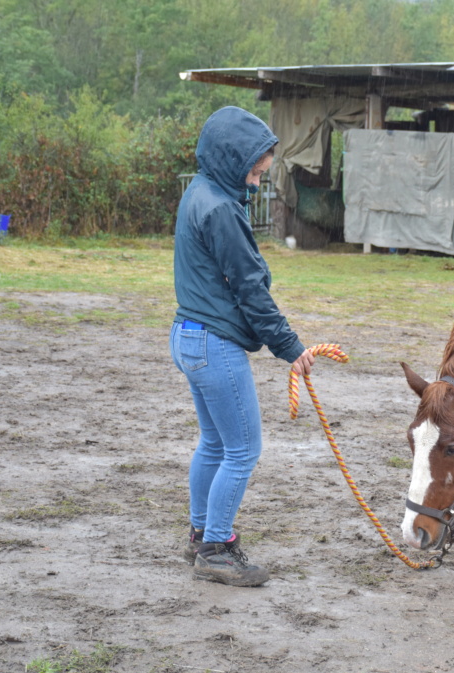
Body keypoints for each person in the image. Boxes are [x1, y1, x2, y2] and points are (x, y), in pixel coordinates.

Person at [170, 106, 316, 586]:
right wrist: (292, 348)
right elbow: (250, 290)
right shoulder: (221, 209)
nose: (255, 183)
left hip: (189, 336)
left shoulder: (199, 192)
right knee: (244, 449)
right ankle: (216, 547)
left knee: (214, 443)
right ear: (233, 160)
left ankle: (200, 535)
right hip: (215, 344)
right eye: (254, 172)